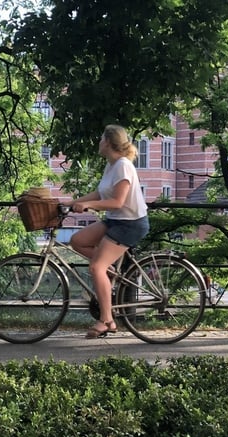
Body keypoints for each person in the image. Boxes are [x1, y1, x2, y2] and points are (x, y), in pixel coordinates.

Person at [64, 125, 150, 339]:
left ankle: (107, 320)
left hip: (130, 224)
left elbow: (117, 201)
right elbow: (100, 192)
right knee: (78, 240)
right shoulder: (111, 165)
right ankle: (109, 270)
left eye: (101, 138)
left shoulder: (122, 165)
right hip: (115, 220)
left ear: (109, 142)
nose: (98, 142)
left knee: (96, 267)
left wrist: (89, 206)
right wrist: (73, 202)